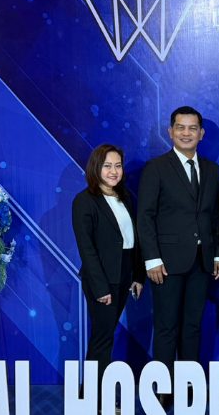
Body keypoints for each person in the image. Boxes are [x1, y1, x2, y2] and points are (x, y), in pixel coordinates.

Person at [137, 106, 219, 410]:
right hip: (166, 263)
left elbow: (215, 216)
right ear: (170, 132)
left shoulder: (213, 170)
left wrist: (217, 253)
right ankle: (163, 390)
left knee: (193, 327)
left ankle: (189, 387)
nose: (186, 133)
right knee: (166, 327)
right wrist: (152, 259)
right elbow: (145, 216)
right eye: (180, 127)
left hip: (201, 261)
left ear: (202, 134)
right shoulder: (156, 168)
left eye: (192, 128)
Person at [72, 144, 145, 409]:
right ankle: (94, 401)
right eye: (107, 166)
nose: (114, 171)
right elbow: (87, 249)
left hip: (124, 273)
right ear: (96, 168)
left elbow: (132, 240)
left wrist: (138, 275)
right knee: (102, 339)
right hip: (101, 278)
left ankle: (87, 396)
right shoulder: (85, 200)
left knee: (105, 337)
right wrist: (101, 287)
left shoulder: (124, 197)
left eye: (118, 166)